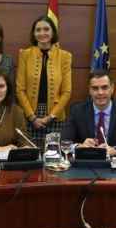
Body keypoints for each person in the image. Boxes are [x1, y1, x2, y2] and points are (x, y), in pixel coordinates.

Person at [15, 16, 73, 146]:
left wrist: (50, 116)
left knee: (53, 155)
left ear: (53, 32)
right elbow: (20, 89)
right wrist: (32, 117)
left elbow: (67, 92)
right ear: (33, 33)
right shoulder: (25, 55)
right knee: (30, 153)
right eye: (38, 30)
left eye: (46, 29)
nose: (42, 33)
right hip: (29, 115)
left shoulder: (65, 56)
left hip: (55, 116)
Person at [62, 70, 116, 156]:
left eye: (104, 88)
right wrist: (80, 146)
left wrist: (114, 150)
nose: (100, 92)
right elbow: (63, 141)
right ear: (89, 90)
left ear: (112, 88)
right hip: (86, 162)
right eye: (95, 88)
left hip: (115, 163)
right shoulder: (77, 111)